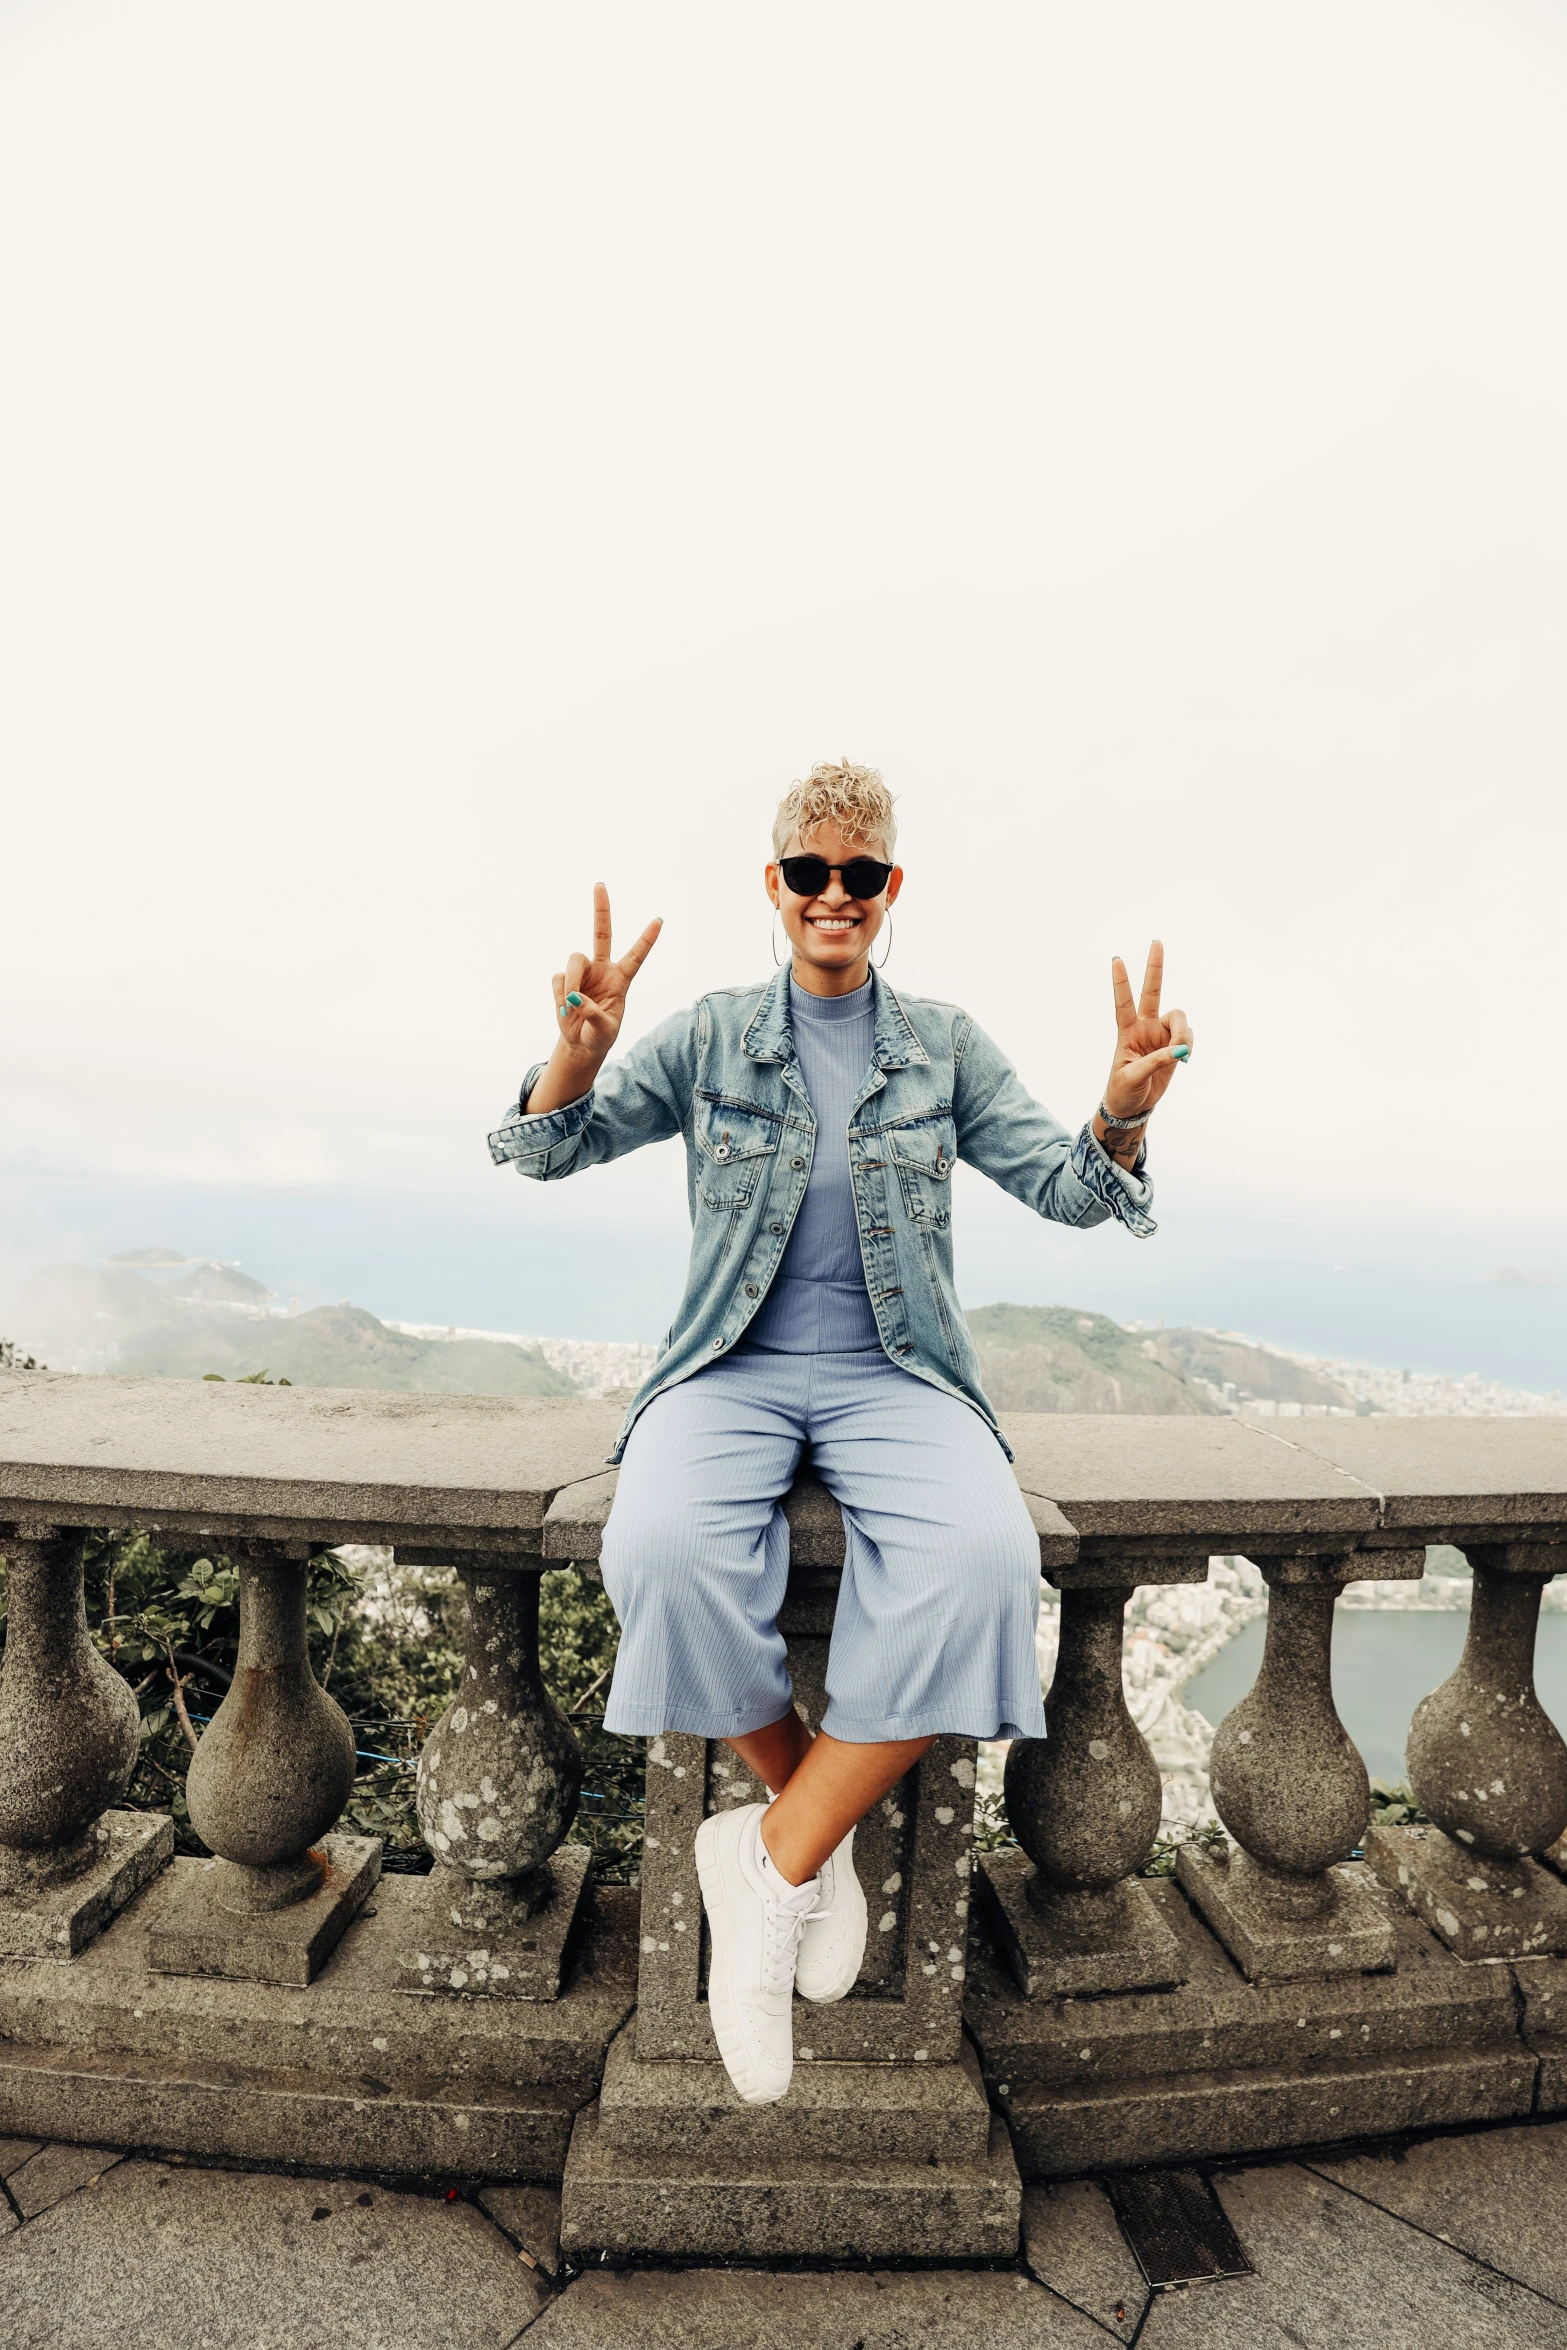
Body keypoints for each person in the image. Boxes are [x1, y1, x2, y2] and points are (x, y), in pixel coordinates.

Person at [489, 760, 1193, 2105]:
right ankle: (807, 1835)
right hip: (728, 1368)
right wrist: (575, 1051)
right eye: (807, 872)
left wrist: (1125, 1106)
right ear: (773, 885)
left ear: (888, 890)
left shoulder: (940, 1045)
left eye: (856, 874)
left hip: (898, 1375)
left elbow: (1068, 1187)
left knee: (985, 1560)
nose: (831, 893)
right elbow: (545, 1151)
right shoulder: (704, 1036)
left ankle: (767, 1858)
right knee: (665, 1548)